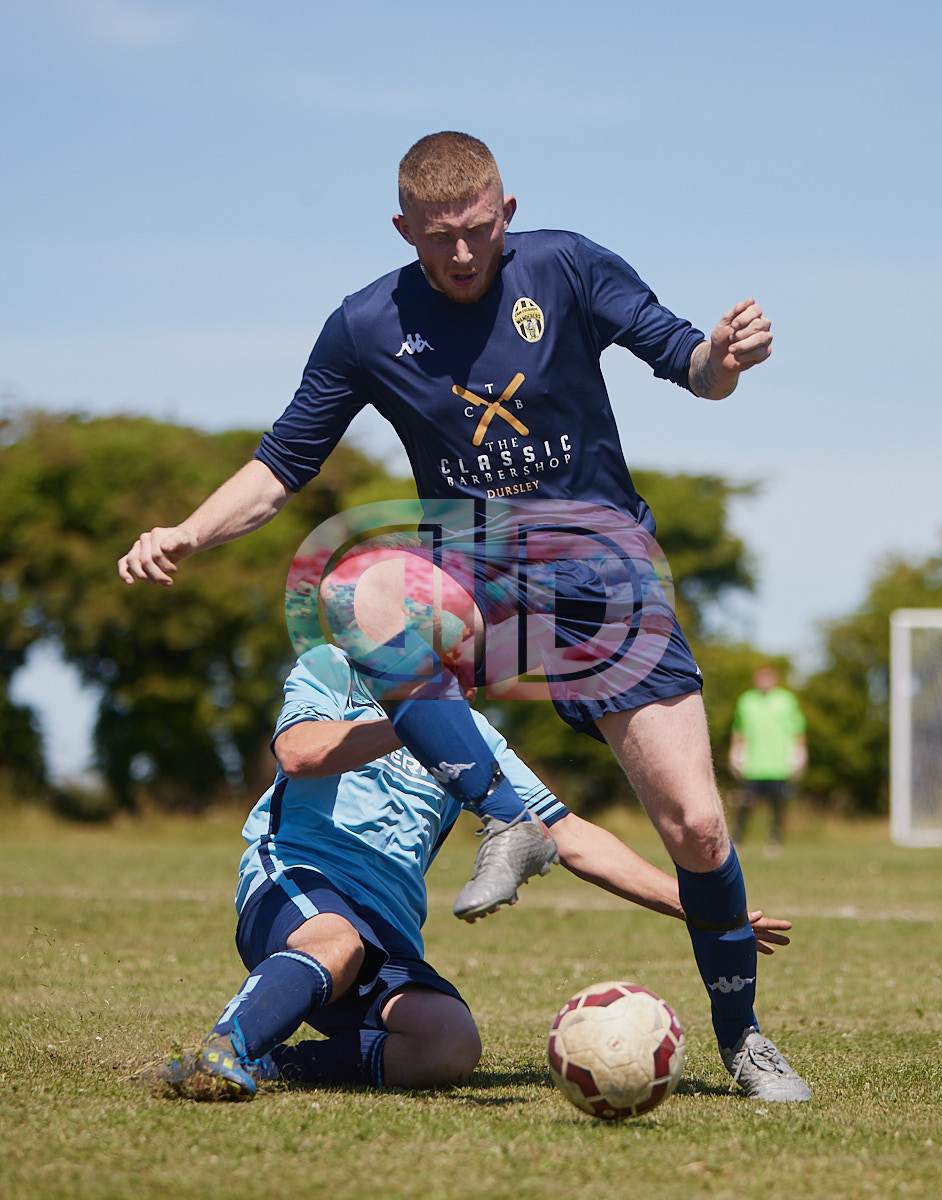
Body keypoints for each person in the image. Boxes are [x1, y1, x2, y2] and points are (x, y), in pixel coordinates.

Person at [119, 131, 811, 1099]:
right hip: (477, 568)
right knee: (362, 590)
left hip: (606, 575)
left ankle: (745, 1040)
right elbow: (282, 464)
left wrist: (725, 358)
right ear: (403, 228)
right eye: (438, 235)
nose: (459, 252)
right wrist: (190, 531)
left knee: (697, 828)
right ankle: (506, 820)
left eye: (477, 230)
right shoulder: (366, 324)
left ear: (507, 213)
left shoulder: (567, 266)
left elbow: (690, 363)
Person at [162, 643, 796, 1101]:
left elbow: (568, 836)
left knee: (447, 1044)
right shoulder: (335, 668)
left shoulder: (476, 739)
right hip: (299, 873)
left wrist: (699, 905)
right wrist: (414, 724)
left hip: (389, 922)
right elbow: (298, 753)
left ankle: (278, 1063)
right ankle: (223, 1050)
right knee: (337, 943)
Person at [730, 666, 807, 849]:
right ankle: (737, 840)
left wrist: (800, 753)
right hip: (753, 766)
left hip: (779, 766)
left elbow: (798, 728)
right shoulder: (746, 700)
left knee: (778, 808)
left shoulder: (787, 700)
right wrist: (735, 752)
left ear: (775, 679)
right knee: (745, 805)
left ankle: (775, 841)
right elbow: (738, 729)